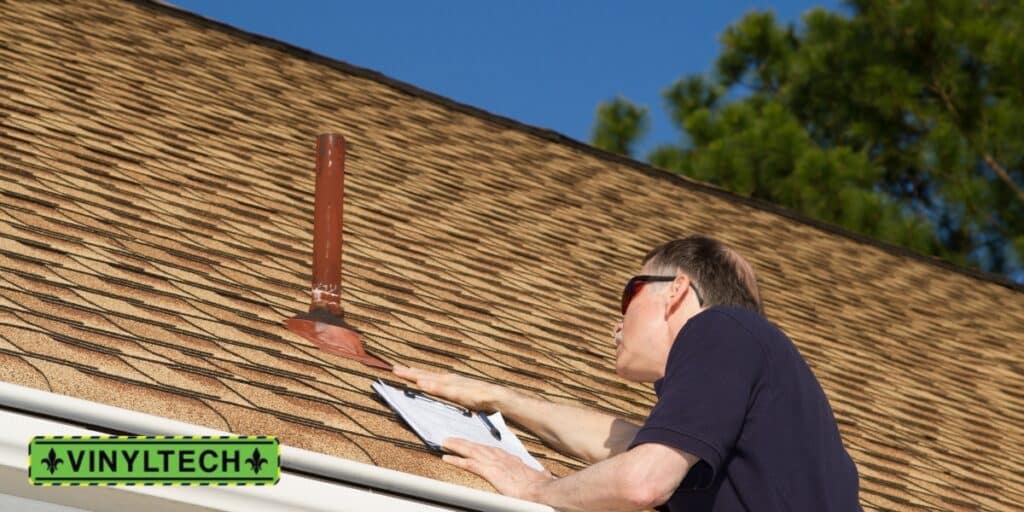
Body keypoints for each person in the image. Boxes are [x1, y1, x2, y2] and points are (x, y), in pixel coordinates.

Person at [394, 236, 860, 511]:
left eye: (629, 294)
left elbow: (642, 479)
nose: (616, 323)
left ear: (676, 291)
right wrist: (496, 397)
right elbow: (626, 444)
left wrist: (537, 487)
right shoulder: (759, 408)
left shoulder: (720, 327)